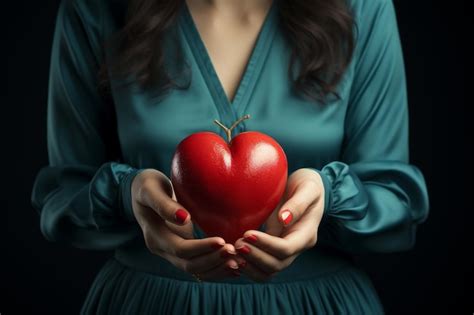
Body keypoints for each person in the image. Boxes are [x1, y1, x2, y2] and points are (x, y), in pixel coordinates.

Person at [31, 0, 430, 313]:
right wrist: (126, 194)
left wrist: (327, 195)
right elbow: (60, 196)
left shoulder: (361, 8)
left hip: (317, 304)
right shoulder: (97, 8)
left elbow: (396, 199)